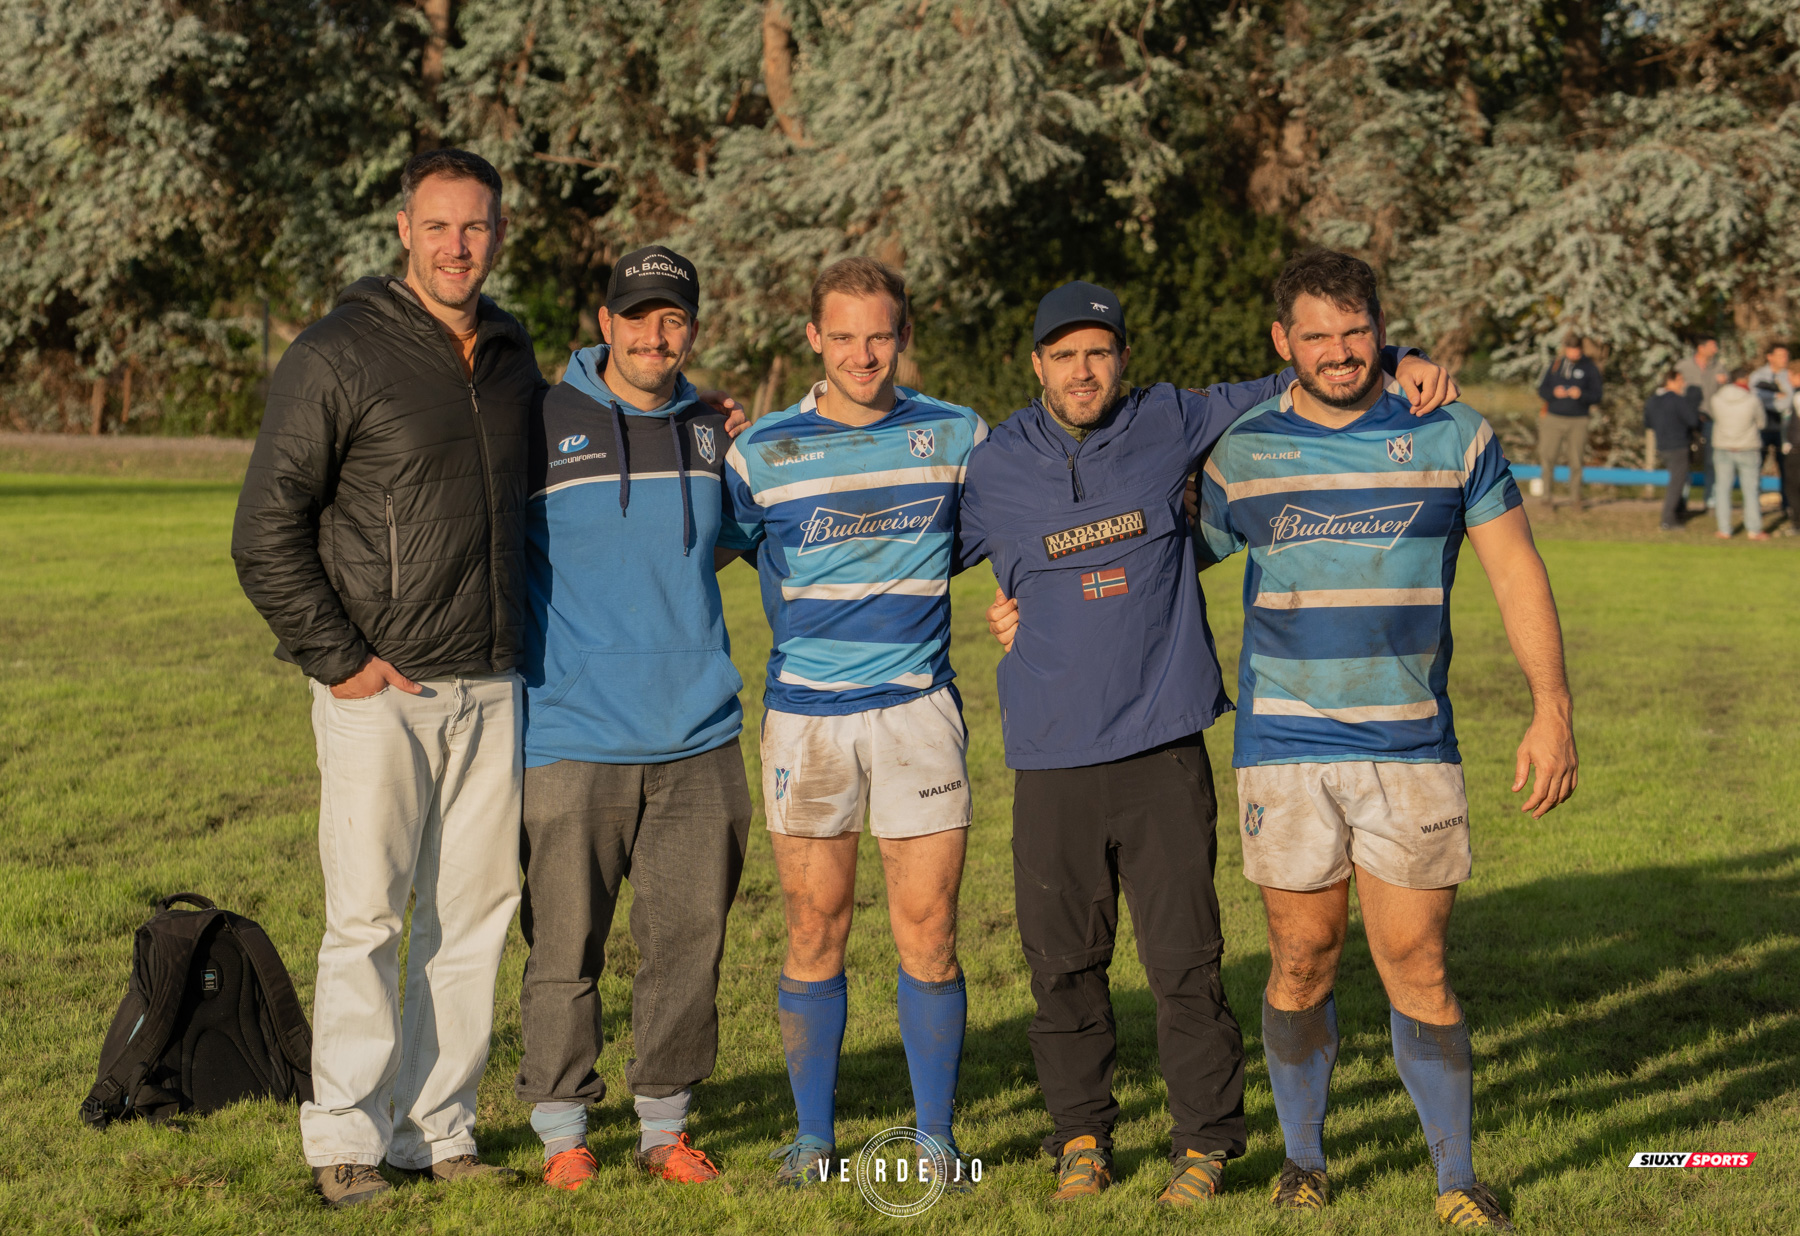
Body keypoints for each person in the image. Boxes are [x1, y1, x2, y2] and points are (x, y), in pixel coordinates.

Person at [961, 275, 1458, 1208]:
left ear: (1123, 359)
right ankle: (1080, 1137)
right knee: (1062, 965)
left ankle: (1204, 1145)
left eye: (1099, 353)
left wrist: (1401, 360)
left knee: (1185, 961)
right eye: (1064, 355)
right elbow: (904, 550)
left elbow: (1305, 371)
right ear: (1035, 365)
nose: (1083, 371)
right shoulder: (992, 466)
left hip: (1162, 745)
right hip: (1049, 756)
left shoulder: (1172, 420)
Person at [1190, 249, 1575, 1230]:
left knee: (1420, 963)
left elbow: (1518, 571)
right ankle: (1305, 1161)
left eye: (1356, 331)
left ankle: (1456, 1179)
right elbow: (1155, 560)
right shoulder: (1244, 448)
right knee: (1301, 957)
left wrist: (1552, 708)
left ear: (1381, 328)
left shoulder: (1449, 431)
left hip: (1411, 748)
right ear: (1282, 343)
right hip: (1284, 746)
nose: (1339, 352)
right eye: (1314, 335)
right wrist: (1032, 604)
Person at [231, 149, 542, 1207]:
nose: (461, 247)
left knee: (474, 917)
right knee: (367, 918)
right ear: (404, 230)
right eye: (441, 227)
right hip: (381, 689)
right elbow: (264, 532)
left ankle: (435, 1130)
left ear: (499, 233)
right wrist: (342, 661)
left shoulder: (510, 352)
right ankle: (344, 1142)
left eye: (479, 228)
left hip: (492, 682)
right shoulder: (337, 353)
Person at [720, 257, 987, 1190]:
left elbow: (1024, 526)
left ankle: (936, 1137)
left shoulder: (956, 435)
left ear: (901, 333)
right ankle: (811, 1137)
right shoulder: (759, 453)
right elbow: (689, 550)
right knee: (813, 926)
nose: (863, 353)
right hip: (806, 724)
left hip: (919, 713)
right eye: (844, 336)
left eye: (880, 334)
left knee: (930, 929)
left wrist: (1025, 602)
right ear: (814, 341)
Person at [512, 247, 759, 1190]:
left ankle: (665, 1129)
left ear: (690, 328)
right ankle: (563, 1131)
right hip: (572, 735)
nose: (657, 336)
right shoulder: (540, 421)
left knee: (688, 945)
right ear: (604, 323)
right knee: (564, 945)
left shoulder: (709, 427)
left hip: (700, 736)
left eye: (675, 319)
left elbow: (732, 542)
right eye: (639, 317)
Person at [1535, 333, 1602, 510]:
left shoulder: (1589, 368)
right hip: (1553, 418)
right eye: (1570, 350)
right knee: (1548, 458)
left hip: (1578, 420)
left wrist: (1581, 395)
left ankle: (1575, 499)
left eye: (1577, 350)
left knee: (1576, 461)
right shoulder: (1556, 365)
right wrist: (1553, 393)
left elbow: (1597, 395)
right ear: (1566, 349)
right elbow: (1542, 389)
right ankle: (1547, 498)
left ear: (1581, 349)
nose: (1573, 354)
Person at [1708, 370, 1769, 540]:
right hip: (1747, 448)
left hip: (1722, 447)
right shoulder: (1752, 399)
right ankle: (1754, 529)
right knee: (1751, 490)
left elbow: (1715, 418)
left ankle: (1724, 529)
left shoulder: (1717, 398)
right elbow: (1762, 423)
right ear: (1743, 379)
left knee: (1722, 489)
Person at [1642, 368, 1701, 530]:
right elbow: (1692, 420)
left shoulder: (1653, 400)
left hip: (1662, 445)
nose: (1683, 384)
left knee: (1677, 481)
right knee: (1677, 483)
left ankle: (1677, 512)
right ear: (1671, 381)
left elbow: (1647, 422)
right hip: (1678, 445)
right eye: (1680, 380)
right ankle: (1668, 519)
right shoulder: (1677, 400)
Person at [1677, 338, 1730, 509]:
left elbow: (1726, 394)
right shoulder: (1683, 366)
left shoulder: (1719, 368)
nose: (1715, 349)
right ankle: (1681, 499)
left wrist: (1725, 383)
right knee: (1684, 461)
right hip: (1687, 421)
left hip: (1711, 421)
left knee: (1711, 461)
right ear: (1701, 347)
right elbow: (1675, 390)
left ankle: (1710, 500)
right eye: (1712, 346)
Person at [1748, 344, 1793, 518]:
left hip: (1783, 427)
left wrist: (1775, 398)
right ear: (1770, 356)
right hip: (1762, 427)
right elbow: (1755, 399)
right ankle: (1753, 506)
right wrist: (1775, 396)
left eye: (1786, 355)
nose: (1785, 359)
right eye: (1781, 355)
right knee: (1755, 466)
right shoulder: (1758, 376)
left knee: (1787, 468)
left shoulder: (1788, 376)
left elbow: (1789, 400)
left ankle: (1787, 505)